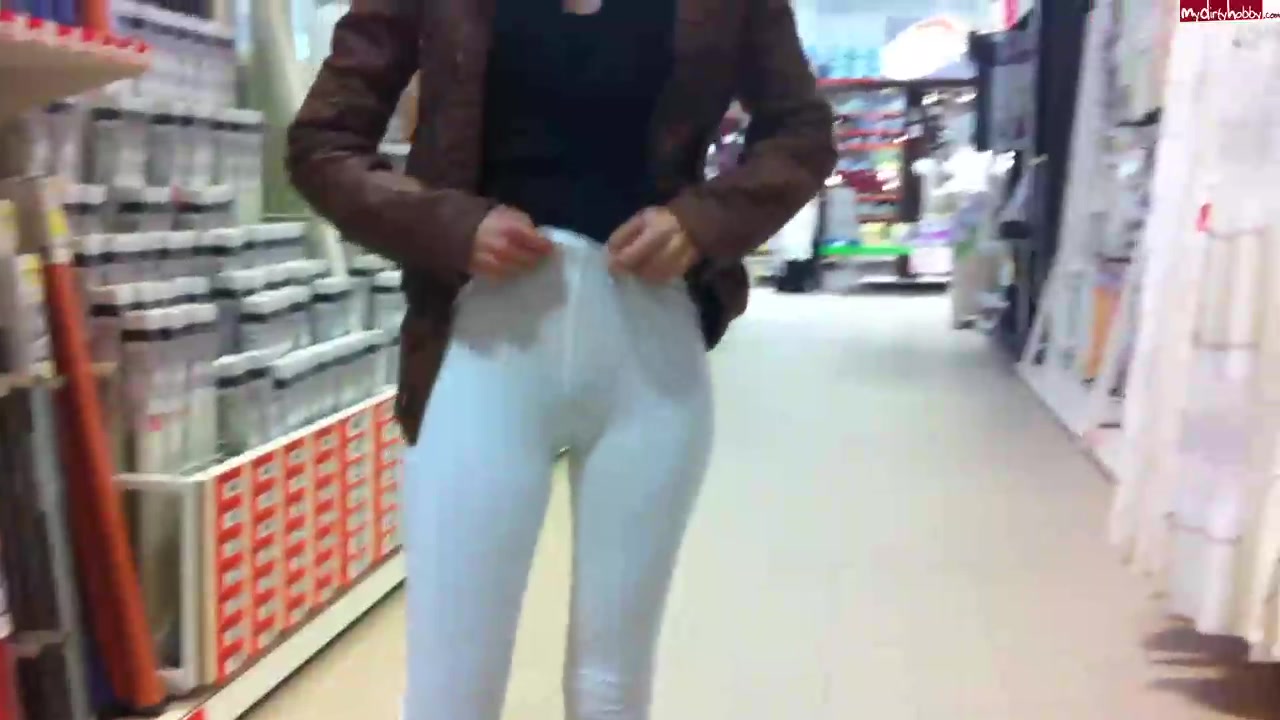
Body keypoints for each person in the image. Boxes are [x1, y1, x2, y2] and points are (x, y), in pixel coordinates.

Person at [286, 1, 835, 718]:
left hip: (651, 352)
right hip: (482, 344)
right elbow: (323, 142)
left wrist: (703, 221)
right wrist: (449, 225)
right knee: (451, 690)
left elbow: (801, 130)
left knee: (613, 686)